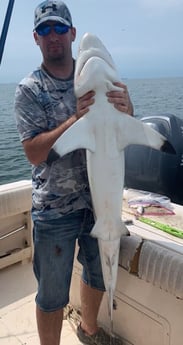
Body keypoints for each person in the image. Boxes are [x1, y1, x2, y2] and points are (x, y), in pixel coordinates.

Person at [14, 1, 134, 344]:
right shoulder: (29, 89)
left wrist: (128, 108)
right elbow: (34, 153)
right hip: (55, 208)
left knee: (97, 275)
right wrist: (75, 121)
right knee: (52, 295)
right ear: (36, 39)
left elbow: (124, 124)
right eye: (45, 30)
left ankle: (89, 329)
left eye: (59, 28)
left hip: (98, 204)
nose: (54, 36)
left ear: (72, 34)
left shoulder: (97, 74)